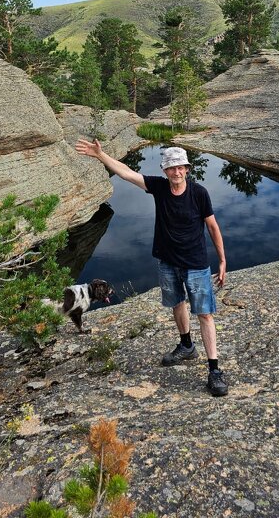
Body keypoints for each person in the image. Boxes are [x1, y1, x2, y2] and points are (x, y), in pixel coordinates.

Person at [75, 140, 229, 397]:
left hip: (196, 264)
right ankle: (186, 345)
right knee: (177, 304)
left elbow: (212, 227)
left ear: (187, 169)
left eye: (180, 167)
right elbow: (126, 172)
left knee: (204, 314)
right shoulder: (158, 187)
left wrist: (222, 260)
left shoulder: (199, 193)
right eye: (171, 168)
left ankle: (214, 370)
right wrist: (101, 155)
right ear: (165, 170)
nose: (176, 172)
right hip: (168, 262)